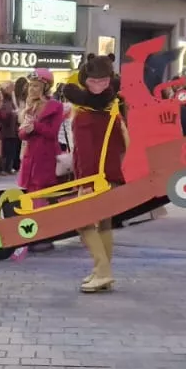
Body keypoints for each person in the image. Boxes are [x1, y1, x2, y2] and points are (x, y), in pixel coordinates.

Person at [60, 55, 129, 291]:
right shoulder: (112, 112)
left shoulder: (83, 117)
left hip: (94, 179)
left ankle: (103, 270)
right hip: (113, 175)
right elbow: (120, 144)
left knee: (83, 222)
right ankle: (102, 272)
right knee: (105, 224)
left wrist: (86, 182)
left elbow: (86, 152)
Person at [18, 68, 66, 199]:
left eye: (36, 86)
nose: (31, 89)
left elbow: (52, 133)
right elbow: (21, 135)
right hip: (30, 158)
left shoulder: (55, 106)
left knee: (46, 198)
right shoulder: (29, 106)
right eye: (30, 85)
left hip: (47, 158)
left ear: (45, 88)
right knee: (31, 199)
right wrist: (26, 131)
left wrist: (35, 126)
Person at [0, 88, 20, 176]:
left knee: (11, 151)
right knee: (4, 151)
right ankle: (2, 168)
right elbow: (2, 116)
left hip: (13, 130)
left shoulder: (11, 102)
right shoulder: (1, 104)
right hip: (4, 131)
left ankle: (9, 167)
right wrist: (12, 113)